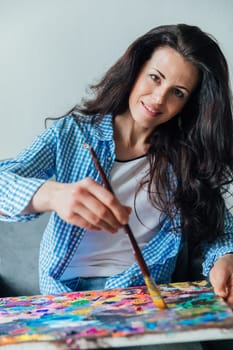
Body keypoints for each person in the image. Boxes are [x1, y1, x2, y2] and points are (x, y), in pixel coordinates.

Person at [0, 24, 233, 311]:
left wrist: (224, 258)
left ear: (190, 103)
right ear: (136, 70)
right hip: (65, 299)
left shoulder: (189, 156)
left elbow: (217, 227)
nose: (159, 98)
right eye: (155, 78)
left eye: (178, 92)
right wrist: (52, 195)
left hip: (143, 296)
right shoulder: (72, 134)